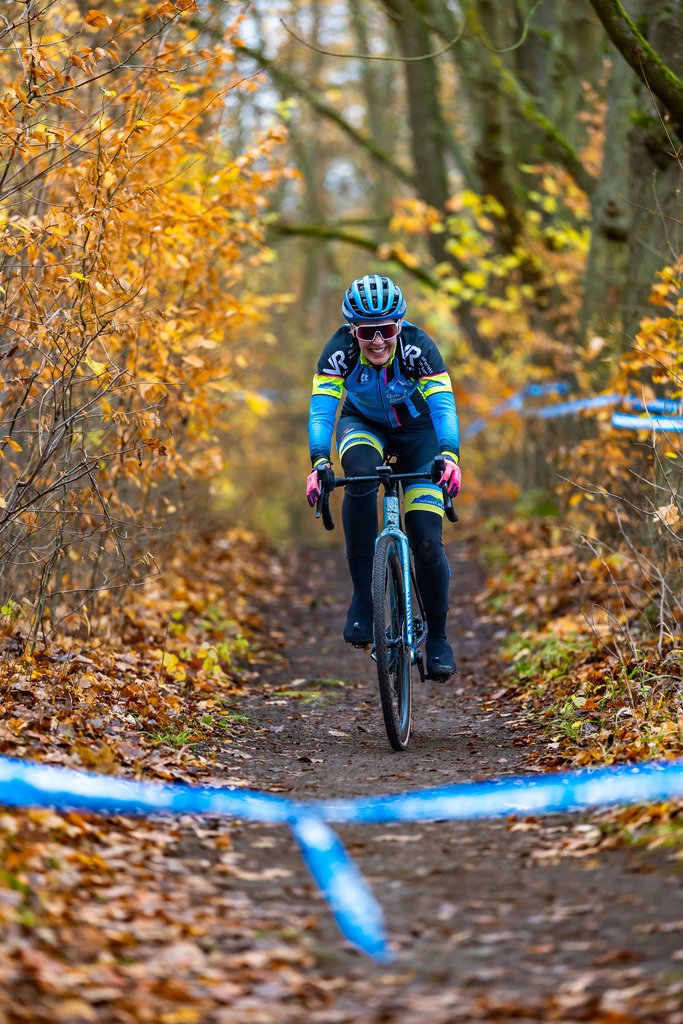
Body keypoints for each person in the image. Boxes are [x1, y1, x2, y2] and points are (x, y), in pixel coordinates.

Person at [306, 274, 461, 681]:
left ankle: (439, 639)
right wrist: (319, 461)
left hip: (419, 434)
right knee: (358, 476)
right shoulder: (338, 352)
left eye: (387, 330)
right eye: (366, 332)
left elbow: (443, 407)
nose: (377, 341)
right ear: (351, 330)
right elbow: (323, 411)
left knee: (425, 537)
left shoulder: (418, 348)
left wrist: (449, 455)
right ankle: (363, 597)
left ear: (400, 325)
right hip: (363, 425)